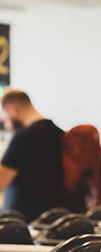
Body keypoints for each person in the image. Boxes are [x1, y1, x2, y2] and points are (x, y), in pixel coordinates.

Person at [0, 89, 64, 220]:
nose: (6, 126)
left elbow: (1, 181)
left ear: (13, 110)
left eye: (5, 120)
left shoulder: (23, 137)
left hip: (20, 222)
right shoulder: (58, 133)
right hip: (51, 218)